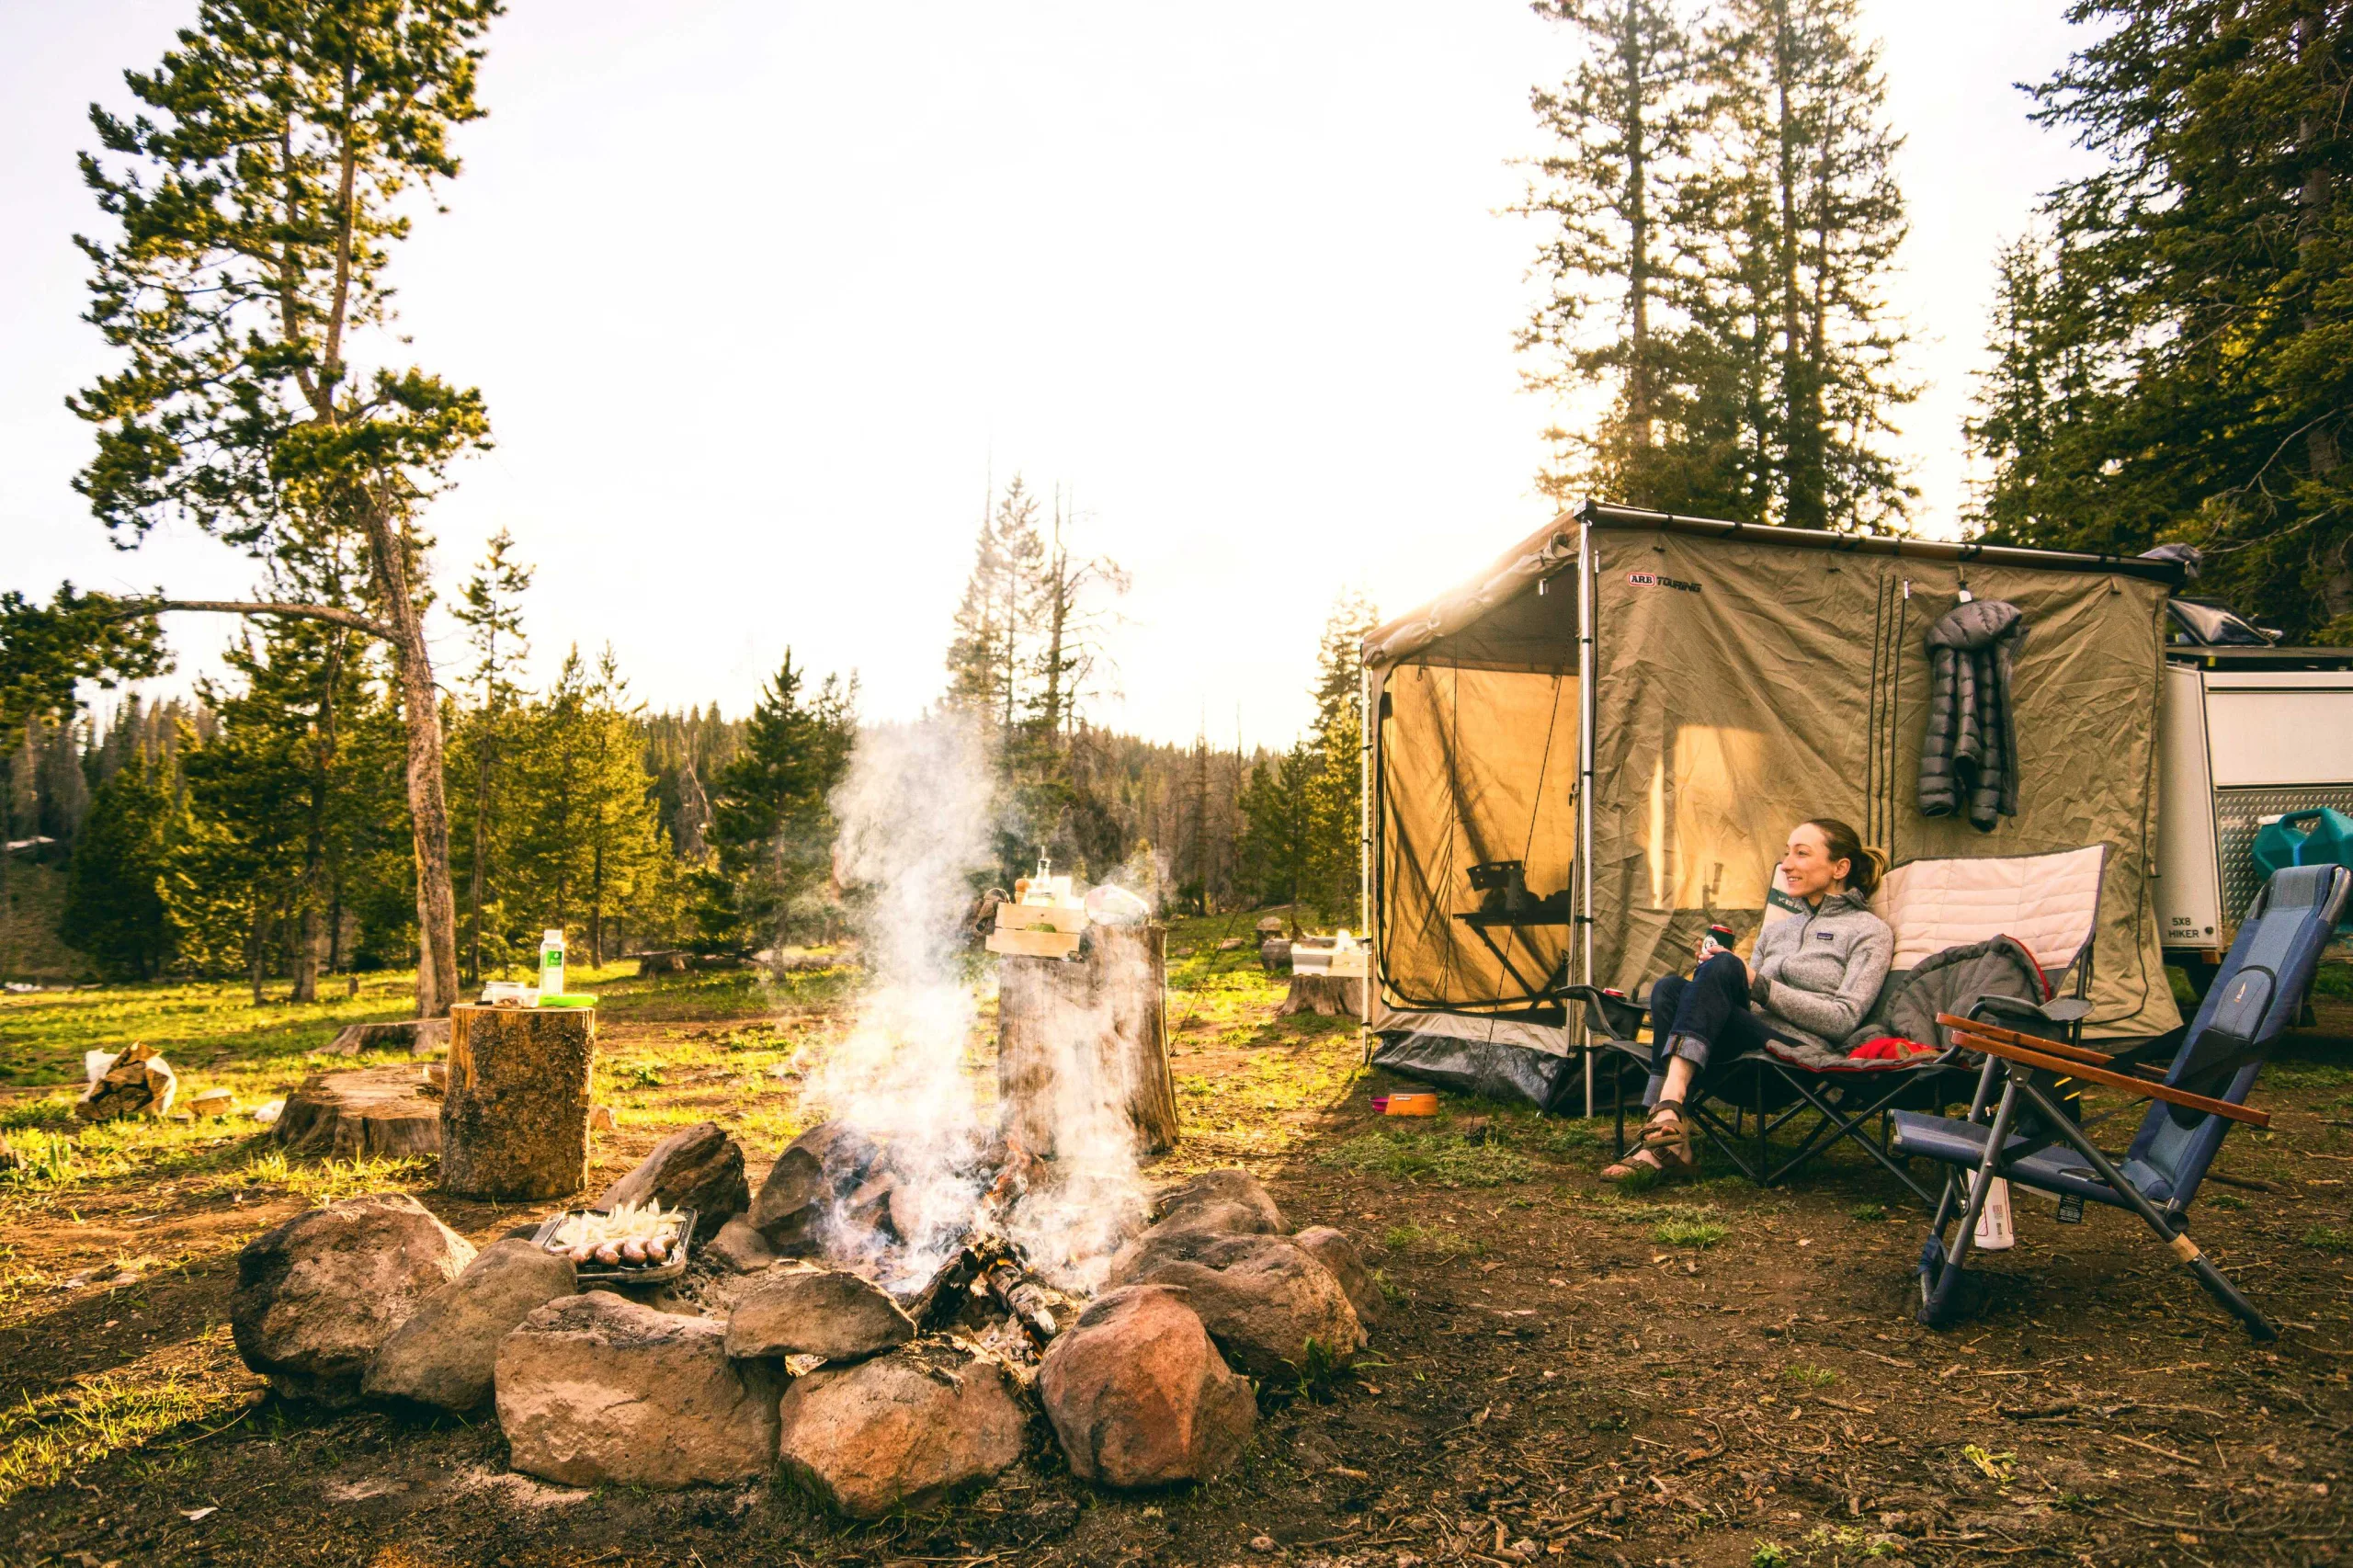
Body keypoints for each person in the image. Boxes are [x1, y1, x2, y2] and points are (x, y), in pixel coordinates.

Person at [1601, 819, 1893, 1181]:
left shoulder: (1870, 932)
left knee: (1723, 967)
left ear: (1840, 867)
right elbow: (1746, 1003)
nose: (1786, 864)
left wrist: (1756, 982)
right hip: (1738, 1056)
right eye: (1787, 852)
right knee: (1670, 988)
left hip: (1795, 1059)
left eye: (1801, 853)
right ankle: (1671, 1129)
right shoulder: (1777, 931)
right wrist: (1713, 980)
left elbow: (1843, 1019)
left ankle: (1664, 1121)